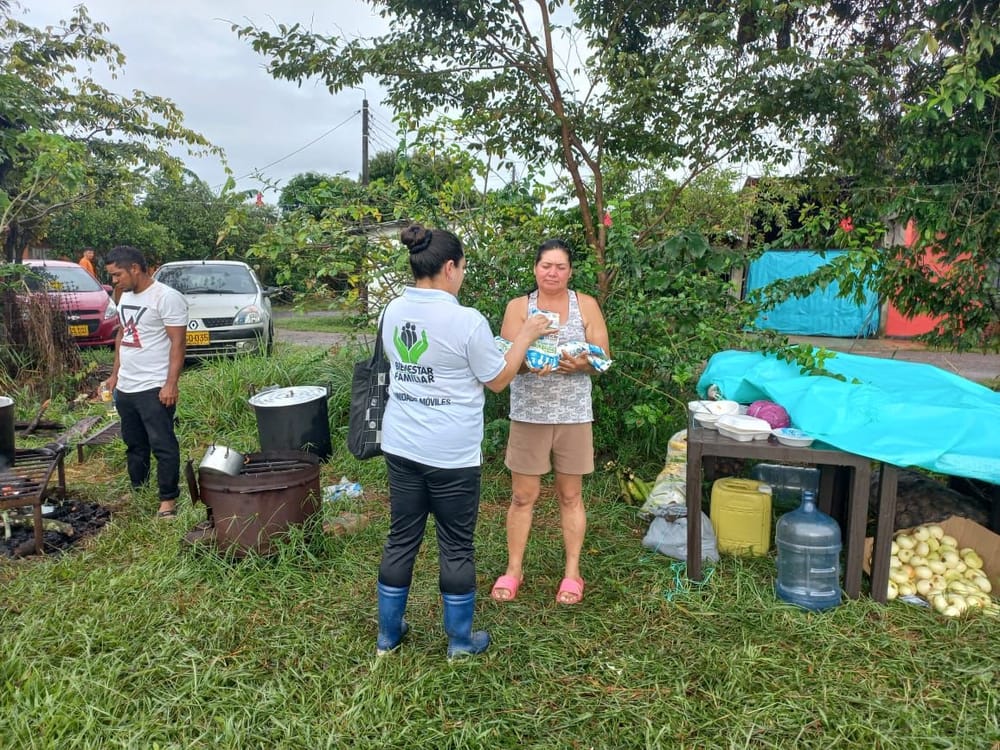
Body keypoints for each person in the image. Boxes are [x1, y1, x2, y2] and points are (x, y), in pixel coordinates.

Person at [375, 224, 555, 659]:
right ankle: (459, 640)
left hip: (402, 444)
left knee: (402, 537)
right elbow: (497, 380)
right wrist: (526, 337)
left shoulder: (391, 311)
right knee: (455, 544)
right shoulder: (465, 319)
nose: (464, 275)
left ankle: (388, 635)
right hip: (451, 454)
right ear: (450, 267)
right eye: (463, 268)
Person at [491, 238, 610, 605]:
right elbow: (505, 360)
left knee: (571, 495)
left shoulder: (585, 305)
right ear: (535, 269)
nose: (552, 273)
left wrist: (583, 364)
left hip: (574, 415)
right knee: (522, 496)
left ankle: (572, 573)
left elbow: (604, 357)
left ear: (570, 271)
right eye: (546, 265)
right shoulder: (518, 307)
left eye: (560, 267)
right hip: (529, 414)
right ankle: (514, 570)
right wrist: (529, 363)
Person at [103, 246, 188, 519]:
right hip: (126, 386)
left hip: (154, 386)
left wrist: (171, 383)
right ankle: (139, 489)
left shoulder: (166, 298)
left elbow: (178, 343)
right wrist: (115, 375)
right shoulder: (122, 295)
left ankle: (168, 500)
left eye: (117, 275)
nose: (114, 281)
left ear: (135, 268)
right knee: (134, 444)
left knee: (162, 444)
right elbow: (122, 335)